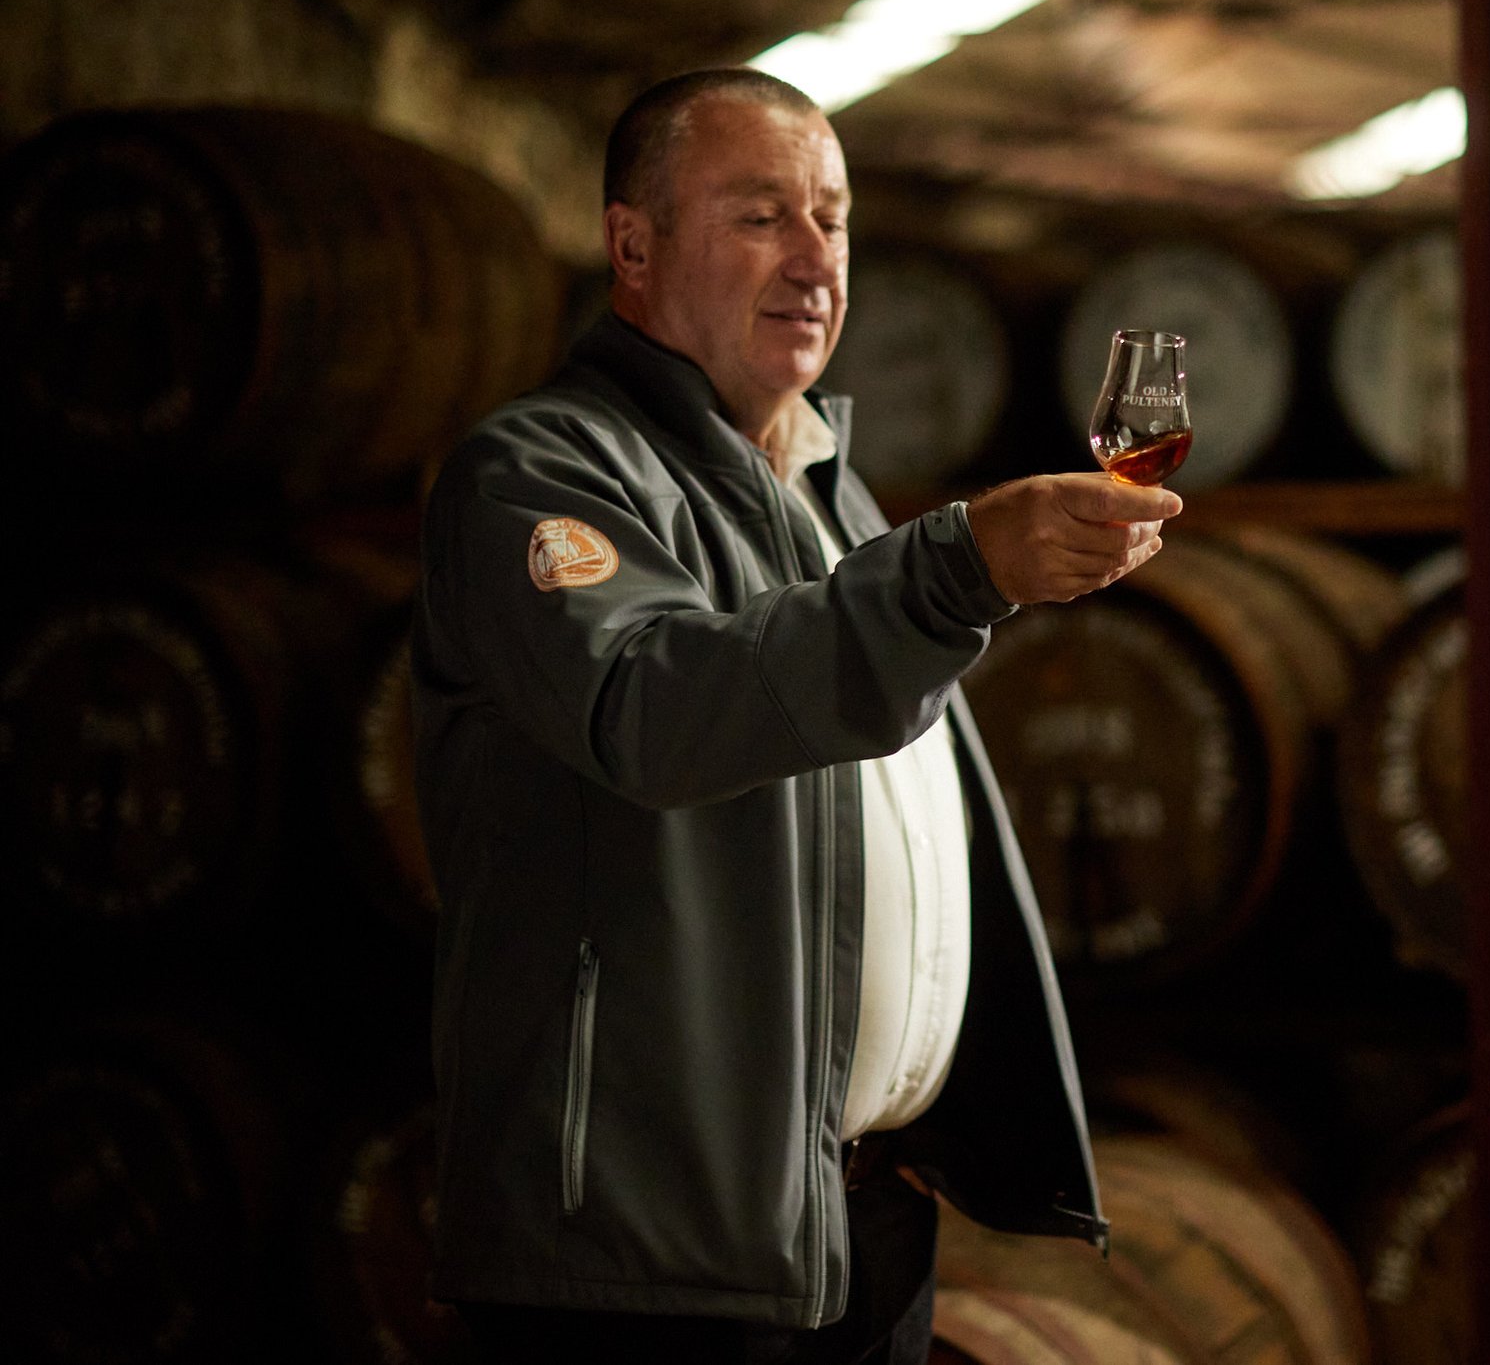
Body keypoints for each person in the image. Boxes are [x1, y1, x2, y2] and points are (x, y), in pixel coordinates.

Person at [410, 66, 1180, 1364]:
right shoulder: (540, 472)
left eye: (831, 216)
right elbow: (650, 705)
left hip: (849, 1223)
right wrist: (956, 569)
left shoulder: (829, 488)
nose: (814, 255)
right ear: (633, 243)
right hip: (642, 1259)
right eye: (760, 214)